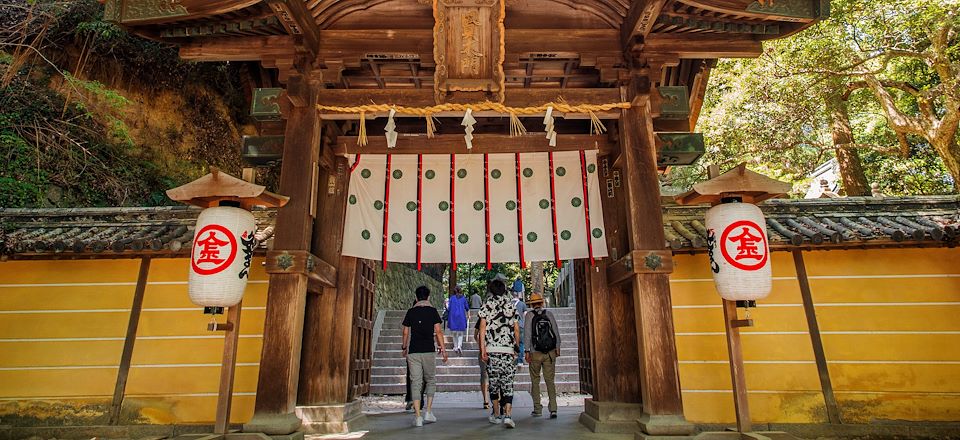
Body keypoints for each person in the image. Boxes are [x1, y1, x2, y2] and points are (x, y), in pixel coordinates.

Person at [402, 285, 449, 427]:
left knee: (415, 383)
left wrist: (404, 347)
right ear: (428, 297)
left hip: (414, 351)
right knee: (430, 380)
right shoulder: (433, 311)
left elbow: (405, 332)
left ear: (416, 297)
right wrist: (443, 349)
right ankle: (428, 411)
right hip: (429, 350)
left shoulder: (410, 312)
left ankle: (417, 417)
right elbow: (439, 331)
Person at [478, 275, 520, 429]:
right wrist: (516, 346)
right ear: (504, 290)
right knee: (508, 383)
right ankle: (508, 415)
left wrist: (483, 349)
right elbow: (516, 328)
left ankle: (496, 414)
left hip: (492, 350)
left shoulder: (486, 305)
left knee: (494, 384)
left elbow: (482, 329)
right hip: (508, 351)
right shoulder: (510, 305)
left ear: (491, 290)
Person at [524, 293, 561, 419]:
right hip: (550, 352)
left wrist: (527, 351)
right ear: (542, 303)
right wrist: (557, 347)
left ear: (532, 304)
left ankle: (537, 408)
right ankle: (554, 409)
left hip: (535, 353)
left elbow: (527, 334)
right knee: (550, 381)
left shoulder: (529, 315)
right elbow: (555, 331)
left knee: (535, 381)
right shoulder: (548, 314)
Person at [447, 286, 470, 354]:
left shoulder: (451, 298)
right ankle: (459, 346)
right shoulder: (463, 298)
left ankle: (455, 346)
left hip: (453, 317)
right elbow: (467, 308)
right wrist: (469, 315)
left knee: (454, 333)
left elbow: (449, 308)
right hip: (461, 317)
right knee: (460, 333)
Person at [474, 317, 490, 409]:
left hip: (483, 350)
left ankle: (485, 400)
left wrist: (481, 345)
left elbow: (475, 335)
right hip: (494, 350)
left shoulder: (481, 319)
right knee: (494, 375)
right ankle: (498, 398)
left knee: (484, 375)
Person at [513, 290, 528, 365]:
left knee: (511, 342)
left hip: (511, 326)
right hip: (520, 325)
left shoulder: (508, 304)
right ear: (518, 296)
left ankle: (512, 359)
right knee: (521, 343)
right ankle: (520, 360)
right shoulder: (522, 304)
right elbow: (525, 314)